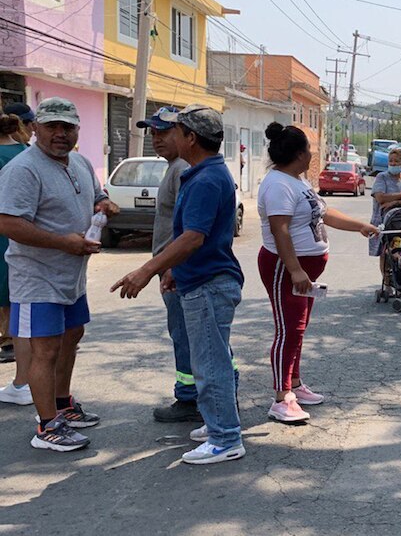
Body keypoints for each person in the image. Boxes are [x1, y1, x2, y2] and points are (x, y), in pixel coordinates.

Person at [112, 104, 246, 465]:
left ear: (191, 138)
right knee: (207, 360)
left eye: (176, 131)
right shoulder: (202, 173)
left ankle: (225, 438)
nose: (167, 137)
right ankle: (218, 424)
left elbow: (192, 238)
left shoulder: (205, 179)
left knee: (210, 363)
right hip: (201, 279)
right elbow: (191, 237)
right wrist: (173, 269)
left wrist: (145, 271)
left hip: (208, 284)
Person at [0, 97, 120, 451]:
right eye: (51, 126)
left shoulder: (79, 162)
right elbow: (8, 223)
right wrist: (62, 243)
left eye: (67, 127)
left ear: (77, 130)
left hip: (71, 276)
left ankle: (63, 404)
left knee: (72, 335)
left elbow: (97, 194)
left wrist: (104, 203)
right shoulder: (24, 169)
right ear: (35, 128)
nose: (60, 134)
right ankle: (47, 426)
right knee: (45, 349)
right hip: (36, 277)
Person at [257, 122, 377, 423]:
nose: (312, 155)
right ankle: (281, 397)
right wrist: (295, 269)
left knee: (298, 327)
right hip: (285, 268)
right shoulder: (278, 185)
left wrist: (360, 226)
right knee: (288, 330)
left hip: (303, 269)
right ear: (300, 154)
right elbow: (280, 230)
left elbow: (323, 213)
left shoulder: (297, 181)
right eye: (310, 150)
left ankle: (294, 383)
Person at [134, 106, 203, 423]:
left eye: (163, 132)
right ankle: (201, 396)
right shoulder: (175, 167)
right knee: (189, 334)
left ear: (185, 135)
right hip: (173, 269)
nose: (156, 139)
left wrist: (173, 266)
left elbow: (190, 228)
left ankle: (191, 399)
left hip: (179, 271)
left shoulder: (182, 169)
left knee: (186, 335)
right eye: (153, 133)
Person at [0, 105, 33, 403]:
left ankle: (22, 384)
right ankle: (23, 381)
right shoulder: (27, 155)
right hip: (20, 243)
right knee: (18, 311)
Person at [370, 148, 401, 292]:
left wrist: (395, 202)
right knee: (385, 252)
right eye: (390, 161)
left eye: (396, 161)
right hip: (383, 220)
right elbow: (380, 197)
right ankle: (387, 282)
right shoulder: (381, 177)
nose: (393, 164)